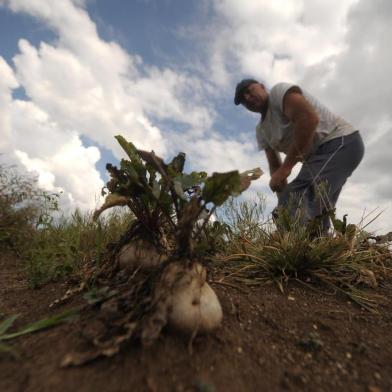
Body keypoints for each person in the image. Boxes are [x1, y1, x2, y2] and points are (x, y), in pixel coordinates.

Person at [234, 79, 364, 235]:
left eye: (249, 91)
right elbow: (275, 165)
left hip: (339, 141)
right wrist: (280, 189)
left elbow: (308, 119)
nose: (247, 98)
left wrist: (287, 169)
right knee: (316, 210)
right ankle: (320, 250)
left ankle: (295, 249)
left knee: (296, 198)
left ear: (262, 86)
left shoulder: (278, 93)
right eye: (243, 99)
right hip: (317, 157)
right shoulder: (261, 131)